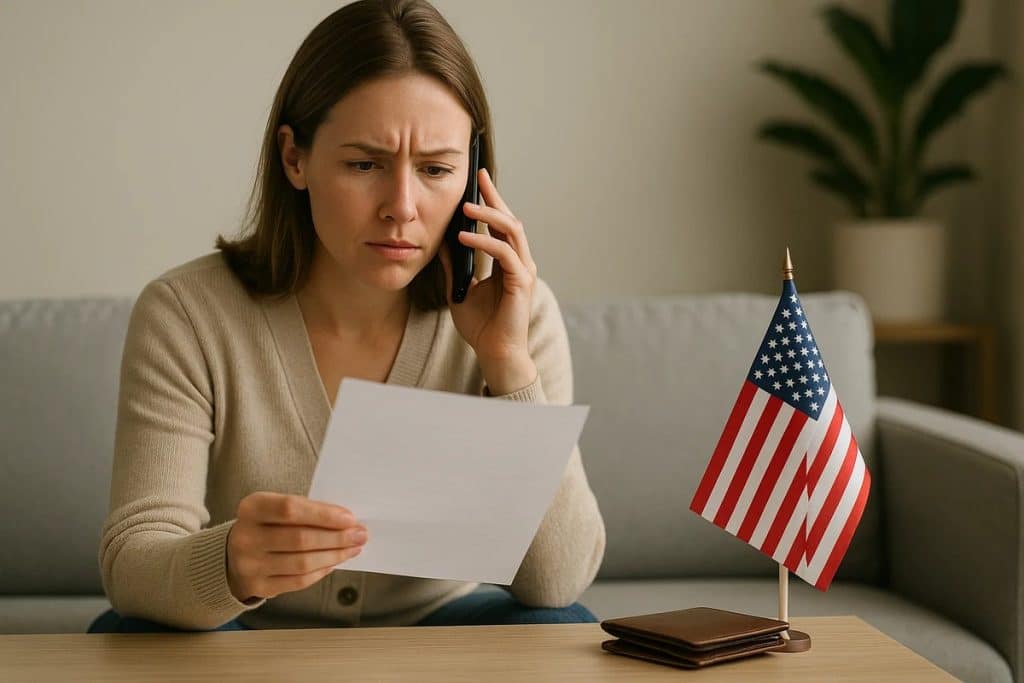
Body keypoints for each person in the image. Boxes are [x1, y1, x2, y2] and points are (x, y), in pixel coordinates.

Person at [88, 0, 605, 633]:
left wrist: (509, 366)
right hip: (244, 637)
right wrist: (231, 564)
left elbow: (556, 582)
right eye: (365, 165)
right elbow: (133, 562)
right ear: (294, 158)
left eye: (437, 169)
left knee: (562, 625)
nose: (402, 207)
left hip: (439, 637)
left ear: (474, 178)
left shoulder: (520, 313)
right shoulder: (187, 315)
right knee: (129, 634)